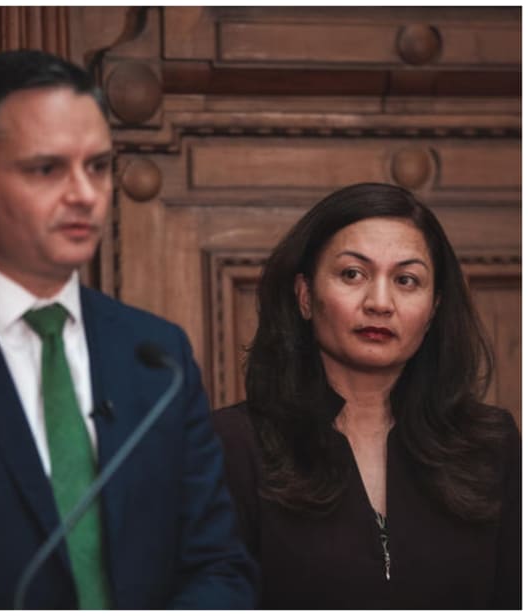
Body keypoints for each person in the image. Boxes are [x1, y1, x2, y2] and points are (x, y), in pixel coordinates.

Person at [0, 49, 256, 609]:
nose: (85, 195)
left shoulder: (157, 354)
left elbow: (218, 565)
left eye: (97, 167)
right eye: (47, 169)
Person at [212, 182, 521, 609]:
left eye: (406, 280)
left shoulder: (493, 443)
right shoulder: (233, 444)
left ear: (432, 310)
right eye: (352, 274)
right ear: (305, 296)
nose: (380, 302)